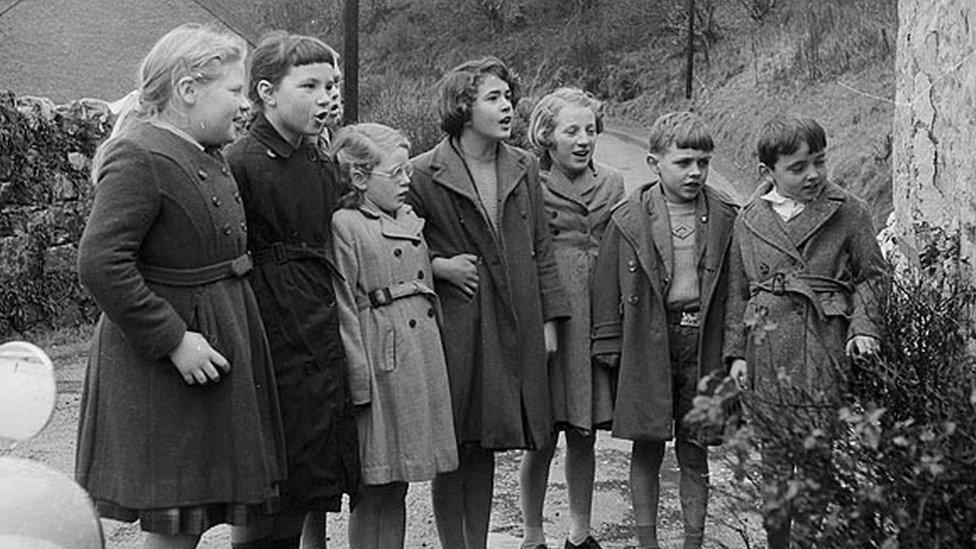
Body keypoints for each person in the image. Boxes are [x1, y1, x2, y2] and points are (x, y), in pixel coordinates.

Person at [75, 23, 286, 549]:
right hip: (170, 364)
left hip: (223, 336)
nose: (245, 104)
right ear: (188, 90)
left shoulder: (206, 150)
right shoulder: (141, 155)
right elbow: (101, 263)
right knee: (177, 524)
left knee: (229, 507)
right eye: (235, 91)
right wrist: (174, 341)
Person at [405, 56, 570, 549]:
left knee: (488, 442)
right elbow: (397, 240)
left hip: (513, 319)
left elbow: (541, 247)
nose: (508, 108)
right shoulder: (422, 172)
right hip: (456, 324)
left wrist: (548, 320)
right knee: (454, 445)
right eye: (493, 98)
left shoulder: (523, 166)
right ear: (462, 106)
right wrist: (438, 265)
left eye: (509, 98)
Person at [722, 116, 885, 549]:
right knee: (774, 463)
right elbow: (738, 289)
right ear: (767, 172)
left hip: (823, 343)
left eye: (819, 161)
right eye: (797, 168)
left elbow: (872, 276)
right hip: (767, 350)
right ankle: (777, 542)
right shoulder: (750, 217)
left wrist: (863, 328)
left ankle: (810, 542)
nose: (812, 174)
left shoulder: (849, 210)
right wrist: (736, 353)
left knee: (817, 461)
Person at [224, 32, 359, 549]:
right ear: (266, 92)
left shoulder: (319, 161)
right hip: (270, 330)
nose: (327, 97)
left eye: (332, 85)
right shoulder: (242, 162)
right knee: (268, 492)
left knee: (305, 480)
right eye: (310, 85)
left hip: (314, 323)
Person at [591, 112, 739, 549]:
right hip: (648, 341)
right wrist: (608, 342)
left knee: (696, 447)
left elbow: (736, 288)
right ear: (654, 163)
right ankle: (647, 542)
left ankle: (693, 539)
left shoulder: (728, 216)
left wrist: (735, 349)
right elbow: (606, 284)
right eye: (683, 162)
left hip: (704, 343)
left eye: (704, 162)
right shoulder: (628, 217)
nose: (695, 172)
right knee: (648, 442)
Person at [330, 123, 459, 549]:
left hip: (416, 355)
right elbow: (344, 304)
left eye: (408, 172)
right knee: (374, 482)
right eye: (397, 174)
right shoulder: (346, 225)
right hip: (378, 356)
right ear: (360, 178)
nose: (407, 182)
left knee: (400, 479)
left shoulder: (406, 219)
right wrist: (357, 375)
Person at [518, 87, 624, 549]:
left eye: (591, 130)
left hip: (595, 313)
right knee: (540, 436)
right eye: (571, 131)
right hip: (549, 311)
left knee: (585, 432)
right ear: (546, 136)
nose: (584, 140)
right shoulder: (528, 183)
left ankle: (580, 532)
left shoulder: (614, 183)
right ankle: (532, 534)